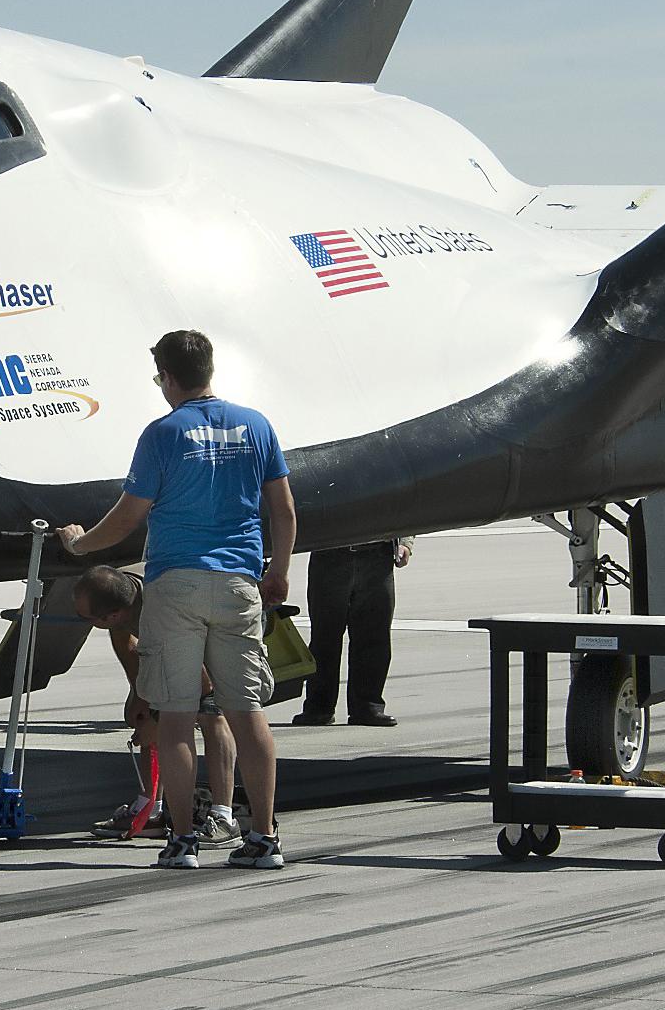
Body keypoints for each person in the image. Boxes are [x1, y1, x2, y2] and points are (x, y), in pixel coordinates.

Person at [59, 329, 295, 871]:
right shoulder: (256, 425)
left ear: (166, 377)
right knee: (246, 714)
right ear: (210, 369)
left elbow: (128, 515)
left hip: (176, 585)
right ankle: (262, 836)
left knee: (176, 718)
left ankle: (184, 840)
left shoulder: (163, 433)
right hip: (239, 582)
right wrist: (277, 571)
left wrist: (80, 544)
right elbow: (282, 510)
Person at [72, 565, 241, 843]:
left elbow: (203, 682)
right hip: (173, 650)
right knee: (150, 715)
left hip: (213, 646)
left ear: (112, 614)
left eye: (85, 617)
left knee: (210, 713)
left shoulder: (161, 611)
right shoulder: (121, 600)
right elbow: (123, 638)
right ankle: (152, 810)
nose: (81, 620)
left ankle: (224, 817)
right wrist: (140, 694)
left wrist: (156, 717)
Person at [292, 538, 415, 727]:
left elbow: (404, 509)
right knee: (325, 636)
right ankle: (319, 707)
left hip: (378, 555)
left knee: (374, 635)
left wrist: (406, 542)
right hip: (329, 553)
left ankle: (368, 706)